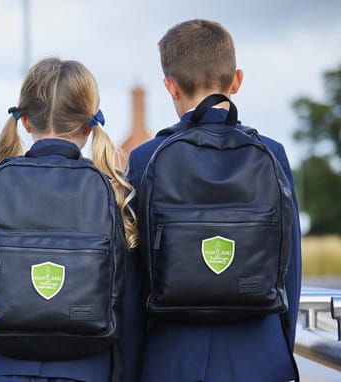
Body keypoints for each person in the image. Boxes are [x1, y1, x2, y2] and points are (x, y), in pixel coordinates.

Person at [127, 19, 302, 382]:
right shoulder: (272, 153)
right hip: (259, 356)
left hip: (170, 358)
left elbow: (133, 282)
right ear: (236, 80)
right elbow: (290, 270)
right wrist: (279, 346)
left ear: (170, 87)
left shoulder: (145, 159)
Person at [0, 57, 143, 382]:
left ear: (25, 121)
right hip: (89, 368)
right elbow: (126, 296)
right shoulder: (111, 187)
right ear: (88, 124)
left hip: (6, 368)